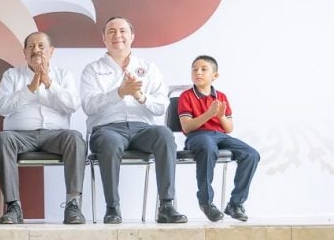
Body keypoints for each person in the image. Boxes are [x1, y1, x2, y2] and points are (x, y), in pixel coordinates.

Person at [80, 17, 187, 224]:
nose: (117, 35)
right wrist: (119, 93)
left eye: (122, 31)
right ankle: (112, 208)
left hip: (142, 130)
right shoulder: (92, 70)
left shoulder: (148, 67)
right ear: (104, 38)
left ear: (132, 36)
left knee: (164, 134)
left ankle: (166, 206)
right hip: (107, 129)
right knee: (110, 142)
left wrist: (140, 96)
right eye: (111, 31)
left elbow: (161, 106)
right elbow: (89, 106)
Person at [0, 31, 86, 225]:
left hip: (56, 135)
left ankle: (73, 205)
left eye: (41, 46)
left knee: (75, 138)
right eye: (31, 46)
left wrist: (49, 83)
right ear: (24, 52)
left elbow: (72, 105)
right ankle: (13, 206)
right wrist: (29, 89)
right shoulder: (12, 75)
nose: (36, 50)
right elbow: (1, 107)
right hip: (20, 135)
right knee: (3, 139)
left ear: (51, 51)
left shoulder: (63, 75)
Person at [178, 55, 260, 222]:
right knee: (208, 147)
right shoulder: (186, 96)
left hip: (220, 136)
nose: (198, 72)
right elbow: (187, 127)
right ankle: (206, 202)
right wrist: (208, 114)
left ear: (215, 76)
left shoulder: (221, 96)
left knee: (251, 154)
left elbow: (229, 128)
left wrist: (220, 116)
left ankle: (235, 204)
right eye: (194, 69)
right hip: (197, 136)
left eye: (204, 69)